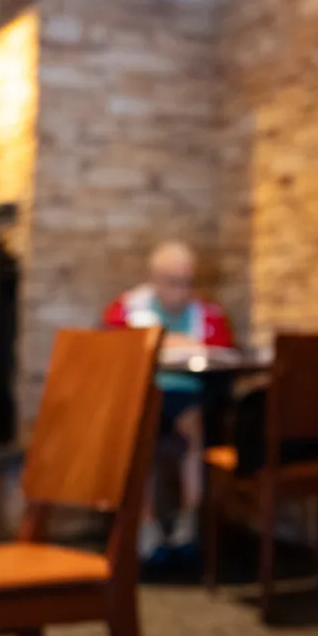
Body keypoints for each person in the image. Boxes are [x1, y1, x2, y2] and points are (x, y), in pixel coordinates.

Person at [103, 241, 235, 562]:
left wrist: (171, 342)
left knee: (192, 425)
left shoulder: (206, 313)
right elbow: (111, 351)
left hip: (187, 394)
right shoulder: (128, 308)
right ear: (156, 279)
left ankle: (187, 526)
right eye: (174, 283)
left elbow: (223, 350)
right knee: (141, 430)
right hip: (143, 397)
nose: (182, 291)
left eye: (188, 283)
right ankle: (146, 526)